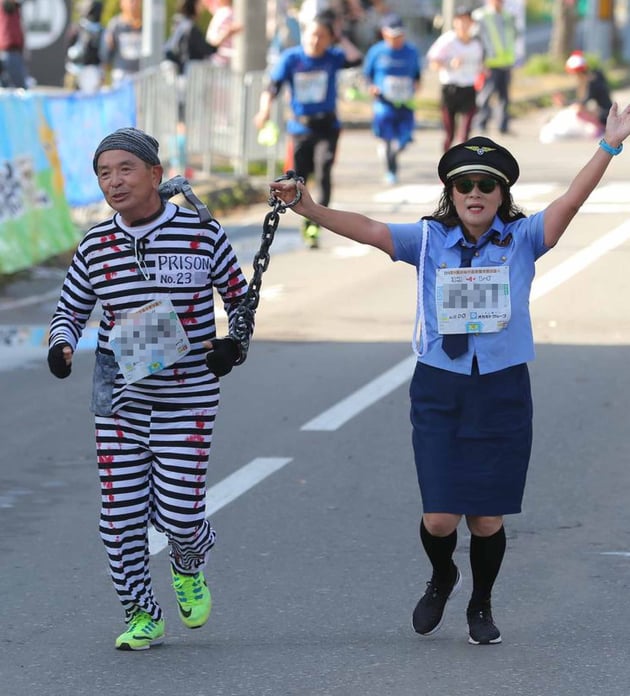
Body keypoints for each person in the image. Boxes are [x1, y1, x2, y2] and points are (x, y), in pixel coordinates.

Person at [270, 104, 630, 645]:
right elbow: (367, 229)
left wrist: (609, 145)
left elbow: (572, 201)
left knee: (486, 518)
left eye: (488, 184)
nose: (476, 193)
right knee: (440, 517)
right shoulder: (429, 240)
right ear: (451, 193)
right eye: (465, 185)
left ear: (503, 194)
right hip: (440, 387)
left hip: (503, 388)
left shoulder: (524, 239)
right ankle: (443, 575)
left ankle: (481, 604)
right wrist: (308, 207)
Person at [47, 127, 252, 651]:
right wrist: (61, 345)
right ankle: (142, 613)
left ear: (155, 175)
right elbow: (70, 308)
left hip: (188, 394)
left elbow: (239, 297)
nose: (113, 182)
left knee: (180, 512)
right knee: (119, 518)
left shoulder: (201, 233)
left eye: (125, 169)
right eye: (103, 173)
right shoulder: (97, 243)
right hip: (120, 397)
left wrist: (235, 343)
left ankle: (189, 562)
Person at [253, 11, 362, 248]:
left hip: (327, 126)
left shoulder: (333, 57)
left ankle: (315, 222)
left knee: (323, 172)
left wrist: (339, 37)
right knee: (299, 176)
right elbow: (272, 86)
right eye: (312, 35)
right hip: (301, 127)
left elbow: (356, 58)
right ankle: (306, 219)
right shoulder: (292, 58)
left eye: (322, 36)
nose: (316, 40)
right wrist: (264, 111)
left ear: (328, 38)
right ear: (305, 36)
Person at [363, 13, 421, 185]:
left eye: (399, 35)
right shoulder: (376, 52)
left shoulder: (411, 51)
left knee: (404, 138)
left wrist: (417, 84)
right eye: (393, 36)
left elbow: (417, 74)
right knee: (388, 140)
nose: (396, 39)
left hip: (405, 102)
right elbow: (367, 75)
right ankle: (391, 170)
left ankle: (398, 147)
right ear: (384, 33)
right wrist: (371, 87)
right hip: (384, 102)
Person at [426, 6, 483, 152]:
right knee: (450, 135)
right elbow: (433, 63)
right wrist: (449, 64)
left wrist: (483, 70)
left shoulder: (477, 43)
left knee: (465, 135)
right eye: (460, 21)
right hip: (450, 88)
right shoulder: (447, 40)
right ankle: (446, 166)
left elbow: (480, 64)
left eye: (467, 21)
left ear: (472, 23)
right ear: (455, 22)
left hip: (469, 89)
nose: (463, 25)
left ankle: (464, 167)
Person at [472, 0, 518, 135]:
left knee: (504, 97)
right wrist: (481, 62)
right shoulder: (481, 16)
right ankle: (481, 123)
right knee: (485, 96)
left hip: (506, 63)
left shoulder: (508, 16)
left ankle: (503, 125)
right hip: (489, 64)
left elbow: (512, 37)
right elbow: (476, 40)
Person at [564, 50, 613, 130]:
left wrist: (565, 102)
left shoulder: (592, 82)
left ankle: (601, 129)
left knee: (578, 110)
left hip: (605, 116)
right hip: (606, 113)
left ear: (578, 73)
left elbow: (584, 101)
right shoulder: (594, 77)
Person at [65, 0, 105, 94]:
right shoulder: (76, 28)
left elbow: (103, 54)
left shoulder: (101, 30)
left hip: (94, 72)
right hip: (76, 71)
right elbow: (68, 47)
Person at [100, 0, 143, 85]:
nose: (132, 4)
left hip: (142, 75)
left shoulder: (147, 24)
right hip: (122, 75)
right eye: (130, 1)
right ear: (122, 3)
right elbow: (105, 55)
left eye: (135, 1)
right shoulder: (116, 25)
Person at [203, 0, 242, 68]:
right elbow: (212, 40)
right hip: (220, 62)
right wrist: (228, 32)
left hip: (226, 63)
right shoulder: (223, 13)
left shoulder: (225, 12)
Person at [0, 0, 28, 89]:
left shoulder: (15, 9)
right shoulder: (6, 4)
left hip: (12, 51)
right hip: (9, 52)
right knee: (21, 90)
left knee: (6, 88)